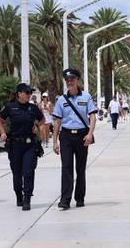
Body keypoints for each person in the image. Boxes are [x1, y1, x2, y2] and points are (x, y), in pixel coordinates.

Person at [52, 69, 97, 210]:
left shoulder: (86, 97)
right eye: (67, 80)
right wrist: (54, 141)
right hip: (66, 136)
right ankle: (65, 200)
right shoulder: (61, 100)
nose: (69, 82)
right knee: (66, 168)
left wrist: (90, 134)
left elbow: (92, 117)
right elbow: (57, 121)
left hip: (82, 136)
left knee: (80, 168)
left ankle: (80, 198)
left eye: (72, 79)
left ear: (78, 80)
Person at [0, 83, 45, 211]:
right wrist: (2, 133)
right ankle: (19, 195)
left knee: (28, 171)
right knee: (17, 173)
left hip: (29, 144)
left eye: (30, 93)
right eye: (27, 92)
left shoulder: (33, 108)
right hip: (15, 145)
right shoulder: (10, 107)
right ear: (19, 94)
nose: (29, 95)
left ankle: (27, 197)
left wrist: (36, 125)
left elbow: (42, 119)